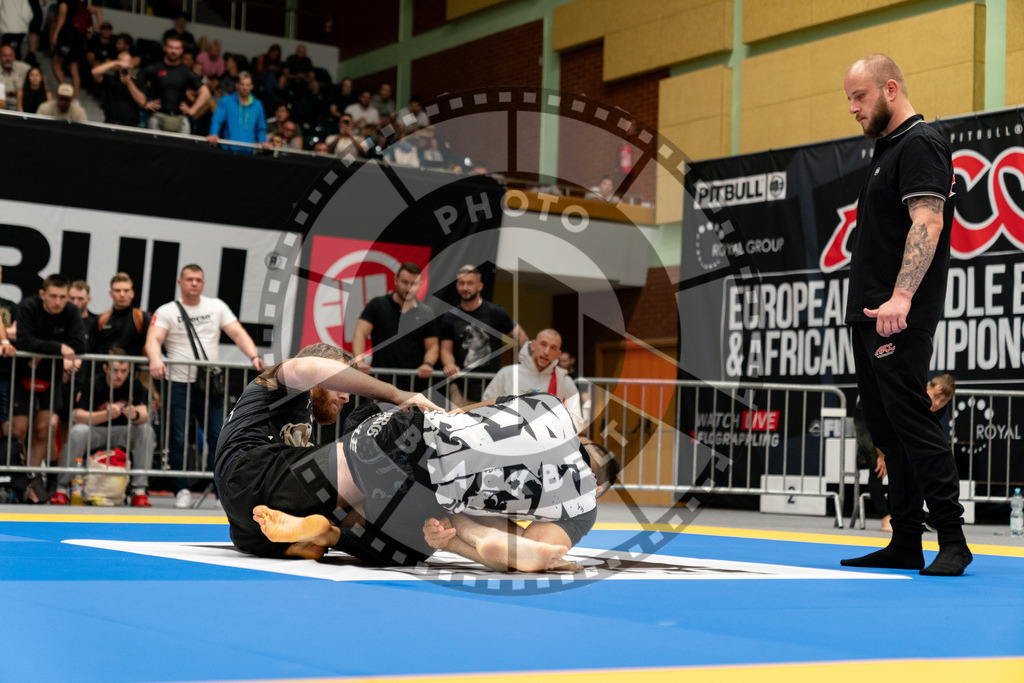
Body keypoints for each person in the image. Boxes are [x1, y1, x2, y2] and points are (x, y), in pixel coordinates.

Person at [839, 54, 970, 577]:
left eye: (860, 96)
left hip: (897, 314)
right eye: (849, 98)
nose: (853, 108)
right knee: (887, 431)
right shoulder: (887, 149)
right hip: (870, 313)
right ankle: (906, 540)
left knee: (914, 424)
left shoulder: (919, 143)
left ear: (890, 89)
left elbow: (928, 222)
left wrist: (901, 296)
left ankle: (953, 541)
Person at [251, 391, 619, 571]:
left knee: (433, 492)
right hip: (424, 491)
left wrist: (449, 416)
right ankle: (329, 535)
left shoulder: (551, 407)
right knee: (418, 540)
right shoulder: (583, 502)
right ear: (598, 487)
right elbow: (536, 545)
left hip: (392, 432)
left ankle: (319, 523)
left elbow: (479, 409)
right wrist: (467, 540)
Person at [145, 263, 267, 508]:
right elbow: (153, 339)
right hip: (177, 382)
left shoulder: (216, 306)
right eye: (189, 279)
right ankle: (181, 489)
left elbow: (238, 333)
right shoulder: (167, 310)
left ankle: (221, 492)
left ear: (203, 283)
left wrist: (254, 356)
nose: (194, 283)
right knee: (177, 438)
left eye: (198, 280)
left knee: (217, 437)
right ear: (180, 282)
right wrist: (155, 359)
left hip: (209, 385)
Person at [10, 274, 86, 501]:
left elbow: (79, 344)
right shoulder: (29, 307)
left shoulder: (71, 311)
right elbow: (24, 340)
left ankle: (33, 482)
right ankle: (18, 481)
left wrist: (42, 351)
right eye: (53, 296)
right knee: (18, 430)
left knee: (44, 429)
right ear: (43, 294)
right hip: (22, 373)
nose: (58, 301)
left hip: (50, 375)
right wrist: (58, 348)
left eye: (62, 297)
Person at [50, 348, 154, 507]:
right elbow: (77, 415)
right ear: (105, 368)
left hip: (122, 433)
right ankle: (62, 488)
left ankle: (139, 490)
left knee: (145, 430)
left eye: (123, 371)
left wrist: (135, 415)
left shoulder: (134, 384)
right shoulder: (94, 383)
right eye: (115, 370)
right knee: (78, 431)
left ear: (129, 370)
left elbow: (145, 413)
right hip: (96, 431)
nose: (119, 375)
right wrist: (106, 415)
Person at [856, 373, 957, 533]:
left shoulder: (939, 410)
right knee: (877, 466)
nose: (937, 403)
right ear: (927, 388)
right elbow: (881, 425)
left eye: (944, 400)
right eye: (936, 396)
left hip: (895, 421)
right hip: (870, 412)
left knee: (910, 465)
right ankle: (885, 518)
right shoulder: (911, 397)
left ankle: (910, 514)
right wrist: (882, 455)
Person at [439, 265, 528, 400]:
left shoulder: (495, 312)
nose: (465, 287)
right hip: (459, 385)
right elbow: (446, 349)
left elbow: (519, 335)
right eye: (461, 283)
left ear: (479, 286)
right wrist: (449, 364)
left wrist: (528, 360)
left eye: (470, 283)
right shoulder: (450, 317)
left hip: (491, 384)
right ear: (457, 286)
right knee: (457, 414)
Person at [351, 263, 438, 387]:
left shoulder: (426, 313)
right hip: (381, 383)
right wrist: (359, 361)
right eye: (405, 282)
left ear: (420, 284)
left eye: (413, 284)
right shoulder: (378, 305)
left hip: (413, 385)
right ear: (396, 280)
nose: (409, 288)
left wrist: (428, 364)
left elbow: (433, 346)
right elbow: (360, 333)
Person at [482, 328, 583, 433]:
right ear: (533, 345)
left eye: (553, 348)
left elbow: (576, 421)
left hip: (546, 440)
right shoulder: (507, 374)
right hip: (507, 437)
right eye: (543, 344)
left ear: (558, 354)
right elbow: (485, 409)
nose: (546, 352)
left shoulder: (565, 381)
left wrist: (551, 427)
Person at [131, 35, 210, 134]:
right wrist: (145, 104)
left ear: (181, 50)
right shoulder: (154, 68)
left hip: (180, 119)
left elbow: (205, 93)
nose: (173, 51)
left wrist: (192, 110)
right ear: (165, 48)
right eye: (171, 47)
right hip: (157, 117)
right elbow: (133, 84)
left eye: (177, 48)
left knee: (184, 144)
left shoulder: (186, 72)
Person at [206, 71, 266, 154]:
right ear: (237, 85)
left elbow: (261, 127)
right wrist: (214, 133)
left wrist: (262, 141)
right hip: (228, 150)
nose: (245, 88)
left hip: (249, 151)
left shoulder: (257, 105)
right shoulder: (226, 101)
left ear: (252, 86)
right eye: (242, 84)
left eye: (247, 85)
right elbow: (217, 121)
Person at [49, 0, 100, 98]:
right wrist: (98, 25)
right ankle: (75, 98)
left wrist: (55, 35)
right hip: (79, 39)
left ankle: (65, 90)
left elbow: (61, 20)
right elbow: (98, 11)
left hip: (66, 38)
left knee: (56, 65)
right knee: (74, 69)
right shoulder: (80, 4)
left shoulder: (65, 3)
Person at [94, 272, 150, 356]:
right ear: (111, 294)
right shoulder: (101, 320)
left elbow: (155, 343)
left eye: (126, 290)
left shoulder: (141, 317)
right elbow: (90, 349)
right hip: (104, 364)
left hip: (133, 364)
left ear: (132, 294)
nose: (122, 294)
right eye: (117, 291)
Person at [90, 50, 139, 126]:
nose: (125, 65)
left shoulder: (136, 80)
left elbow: (142, 101)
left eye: (128, 62)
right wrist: (115, 63)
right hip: (111, 122)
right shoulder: (110, 78)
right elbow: (94, 72)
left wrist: (129, 82)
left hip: (130, 123)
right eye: (123, 62)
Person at [68, 279, 97, 353]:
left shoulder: (94, 325)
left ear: (89, 299)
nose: (75, 302)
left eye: (80, 298)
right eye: (72, 298)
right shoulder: (61, 322)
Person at [0, 43, 28, 109]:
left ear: (14, 56)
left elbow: (40, 76)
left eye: (10, 56)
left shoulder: (23, 68)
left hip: (21, 105)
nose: (7, 59)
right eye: (4, 56)